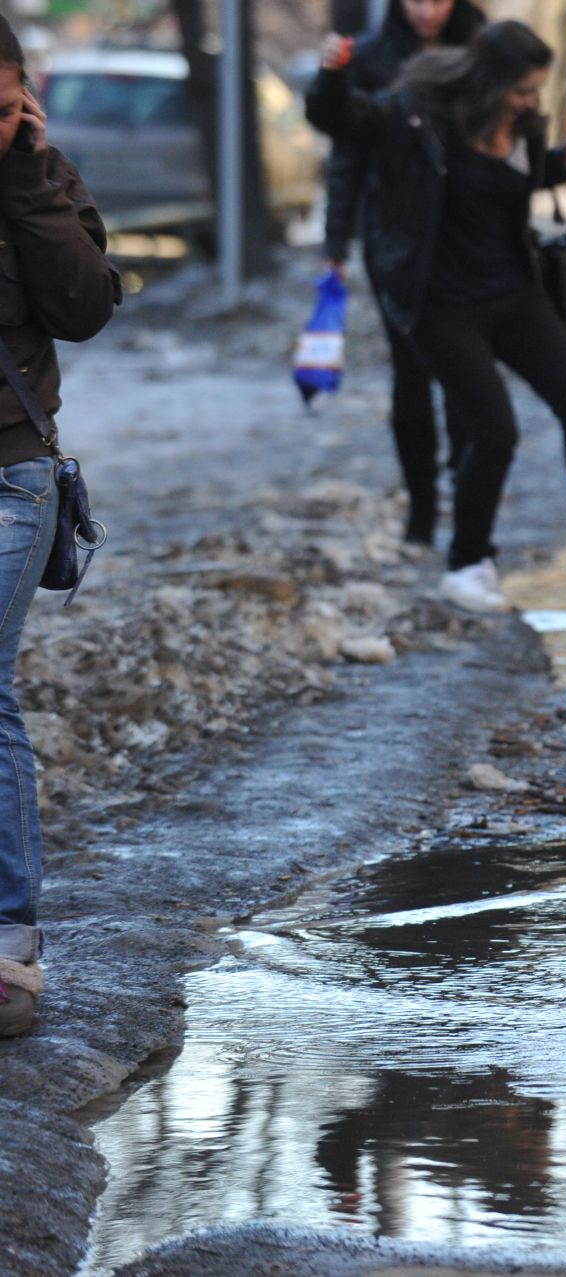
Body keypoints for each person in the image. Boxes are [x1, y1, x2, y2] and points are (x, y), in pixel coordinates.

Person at [307, 21, 566, 616]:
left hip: (514, 292)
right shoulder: (415, 111)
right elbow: (345, 121)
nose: (530, 101)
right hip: (439, 303)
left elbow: (505, 182)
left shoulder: (521, 123)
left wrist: (560, 164)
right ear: (489, 81)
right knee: (494, 431)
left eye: (535, 91)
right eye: (521, 90)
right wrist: (332, 74)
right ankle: (468, 564)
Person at [0, 15, 120, 1037]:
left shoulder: (39, 178)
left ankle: (9, 941)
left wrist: (30, 181)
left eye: (2, 110)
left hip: (11, 476)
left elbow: (85, 307)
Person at [323, 0, 486, 548]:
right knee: (412, 374)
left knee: (469, 375)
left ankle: (468, 505)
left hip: (466, 238)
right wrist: (335, 241)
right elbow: (349, 152)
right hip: (394, 240)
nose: (427, 10)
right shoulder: (372, 58)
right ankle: (421, 513)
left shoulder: (482, 53)